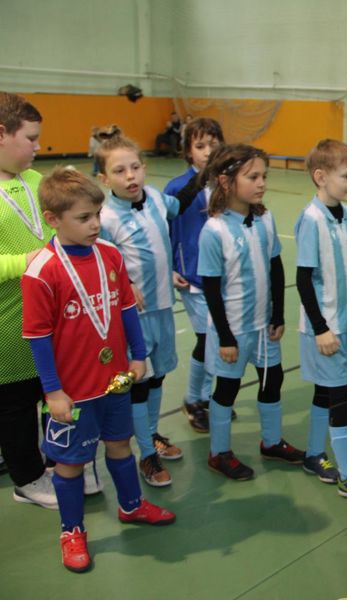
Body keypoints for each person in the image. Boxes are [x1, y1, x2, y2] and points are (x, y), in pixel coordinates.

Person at [22, 168, 176, 573]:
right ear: (53, 219)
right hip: (71, 392)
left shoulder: (109, 254)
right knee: (70, 463)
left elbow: (126, 308)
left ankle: (131, 505)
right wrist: (53, 391)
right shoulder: (42, 270)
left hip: (114, 381)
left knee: (120, 445)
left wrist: (137, 355)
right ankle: (72, 530)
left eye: (97, 215)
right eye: (84, 218)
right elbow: (38, 337)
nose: (95, 225)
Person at [97, 134, 198, 487]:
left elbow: (178, 206)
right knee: (138, 382)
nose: (130, 176)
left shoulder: (155, 197)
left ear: (145, 168)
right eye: (119, 171)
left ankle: (151, 434)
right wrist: (126, 284)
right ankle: (145, 454)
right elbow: (104, 264)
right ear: (104, 179)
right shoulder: (106, 218)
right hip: (133, 317)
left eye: (135, 167)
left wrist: (204, 169)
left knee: (158, 376)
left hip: (163, 306)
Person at [198, 144, 304, 480]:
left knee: (273, 380)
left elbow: (276, 267)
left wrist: (279, 314)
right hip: (233, 329)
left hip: (263, 326)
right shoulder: (214, 230)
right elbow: (211, 289)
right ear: (226, 182)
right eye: (253, 177)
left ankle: (271, 442)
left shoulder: (265, 219)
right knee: (227, 389)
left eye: (264, 176)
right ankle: (219, 452)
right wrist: (225, 337)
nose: (261, 183)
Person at [294, 139, 347, 502]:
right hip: (324, 329)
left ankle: (314, 455)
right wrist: (320, 328)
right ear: (321, 177)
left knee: (325, 391)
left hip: (344, 324)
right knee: (340, 395)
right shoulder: (311, 220)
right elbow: (302, 280)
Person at [0, 92, 57, 510]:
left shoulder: (36, 181)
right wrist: (26, 261)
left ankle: (56, 462)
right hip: (7, 328)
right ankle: (28, 479)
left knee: (51, 394)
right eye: (31, 138)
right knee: (15, 407)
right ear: (2, 134)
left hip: (49, 323)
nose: (39, 146)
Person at [164, 117, 225, 434]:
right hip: (193, 278)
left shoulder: (227, 183)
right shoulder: (177, 188)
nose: (207, 151)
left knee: (218, 337)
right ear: (188, 151)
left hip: (222, 276)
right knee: (207, 338)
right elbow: (164, 231)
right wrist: (171, 268)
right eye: (200, 146)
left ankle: (206, 396)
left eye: (213, 144)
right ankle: (193, 399)